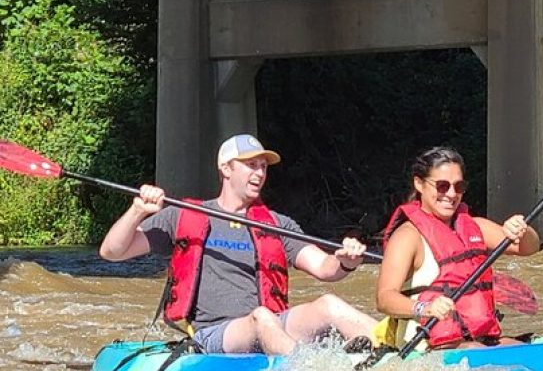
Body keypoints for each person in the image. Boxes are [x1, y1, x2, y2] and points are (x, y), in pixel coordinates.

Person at [100, 133, 377, 356]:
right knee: (261, 317)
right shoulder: (182, 215)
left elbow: (325, 268)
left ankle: (392, 349)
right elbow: (112, 251)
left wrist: (346, 261)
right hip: (215, 334)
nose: (259, 173)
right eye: (251, 165)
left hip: (272, 326)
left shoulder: (275, 224)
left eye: (263, 166)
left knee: (328, 305)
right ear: (226, 168)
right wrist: (138, 210)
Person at [375, 146, 540, 351]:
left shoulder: (476, 226)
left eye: (459, 186)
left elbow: (529, 248)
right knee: (477, 350)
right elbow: (384, 299)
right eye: (442, 186)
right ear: (419, 183)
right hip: (427, 347)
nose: (452, 194)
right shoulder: (407, 237)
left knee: (521, 349)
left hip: (478, 339)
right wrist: (424, 308)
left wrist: (523, 229)